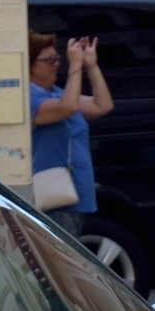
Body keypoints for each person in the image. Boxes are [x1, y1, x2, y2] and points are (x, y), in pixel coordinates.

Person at [27, 32, 111, 234]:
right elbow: (67, 108)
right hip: (53, 200)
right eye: (48, 60)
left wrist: (91, 65)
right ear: (28, 65)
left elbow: (102, 105)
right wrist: (75, 65)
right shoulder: (27, 97)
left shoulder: (55, 92)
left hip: (74, 197)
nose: (56, 64)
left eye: (57, 59)